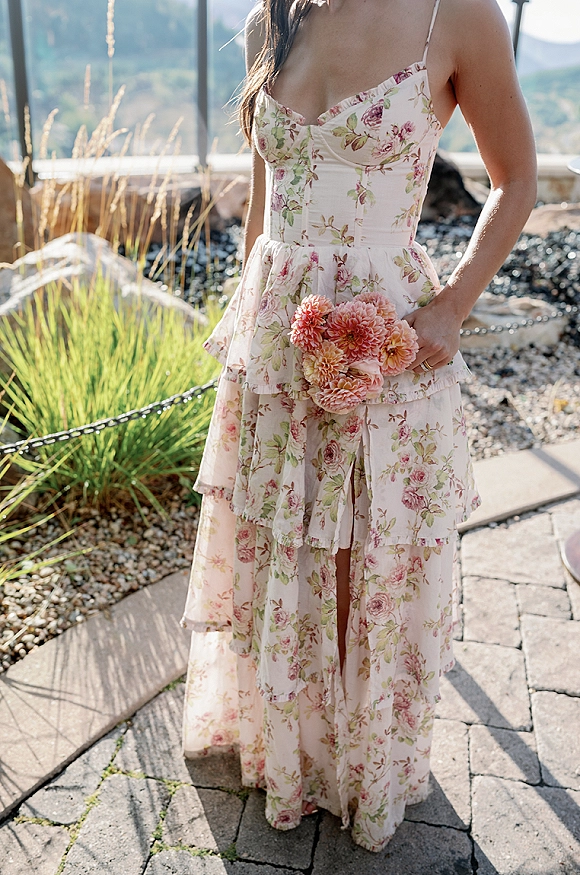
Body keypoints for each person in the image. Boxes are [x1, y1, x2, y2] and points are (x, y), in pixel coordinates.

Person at [180, 0, 536, 853]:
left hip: (385, 336)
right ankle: (289, 747)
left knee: (359, 558)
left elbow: (517, 179)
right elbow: (265, 209)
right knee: (278, 542)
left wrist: (455, 304)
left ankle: (359, 760)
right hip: (277, 331)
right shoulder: (281, 10)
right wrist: (248, 322)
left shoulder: (459, 14)